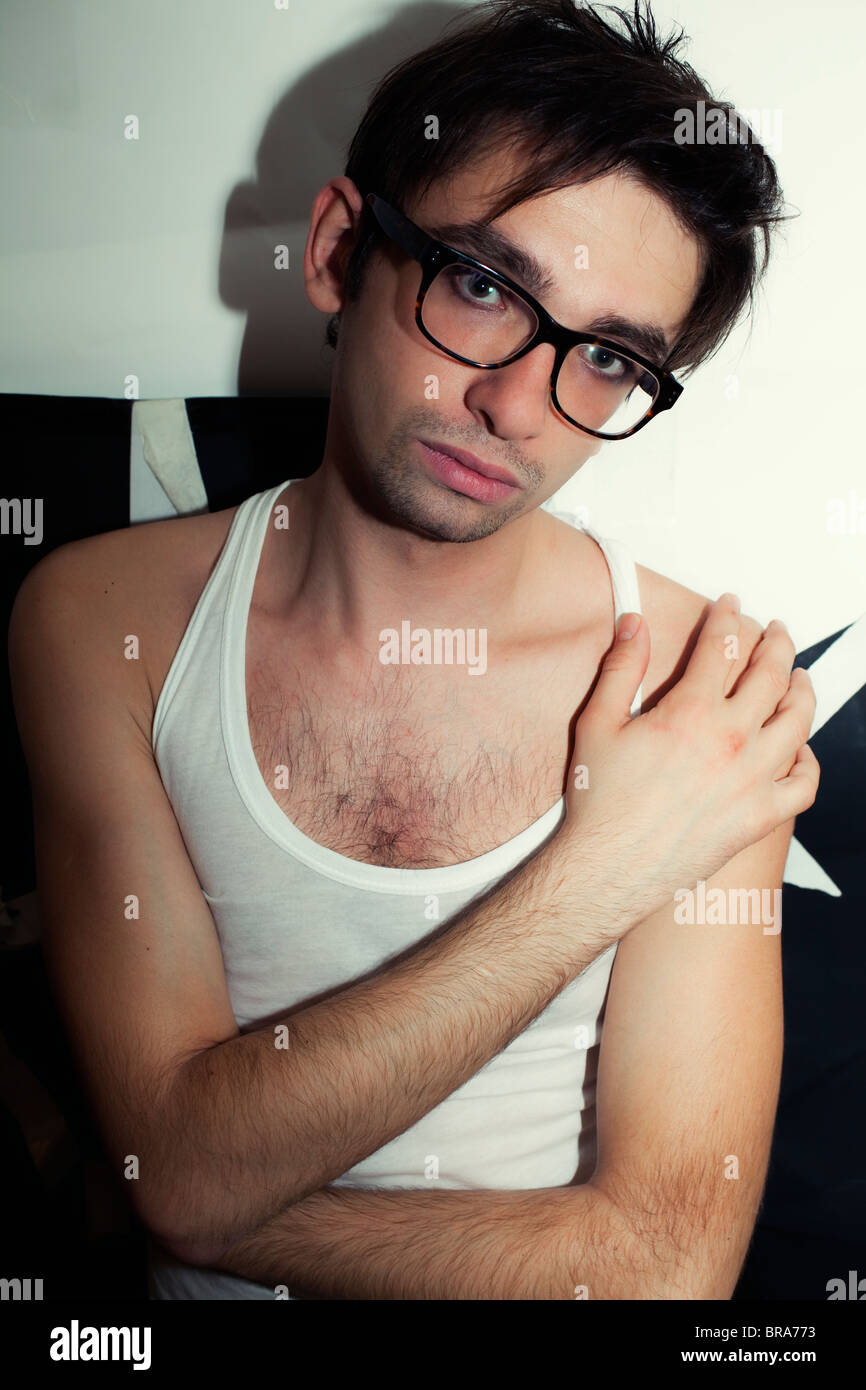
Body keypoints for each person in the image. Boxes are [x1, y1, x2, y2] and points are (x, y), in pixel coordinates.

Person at [8, 0, 819, 1300]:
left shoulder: (701, 702)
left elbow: (670, 1269)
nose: (511, 402)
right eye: (485, 285)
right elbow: (181, 1173)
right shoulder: (101, 624)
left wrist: (198, 1196)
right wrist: (606, 864)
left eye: (605, 357)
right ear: (338, 250)